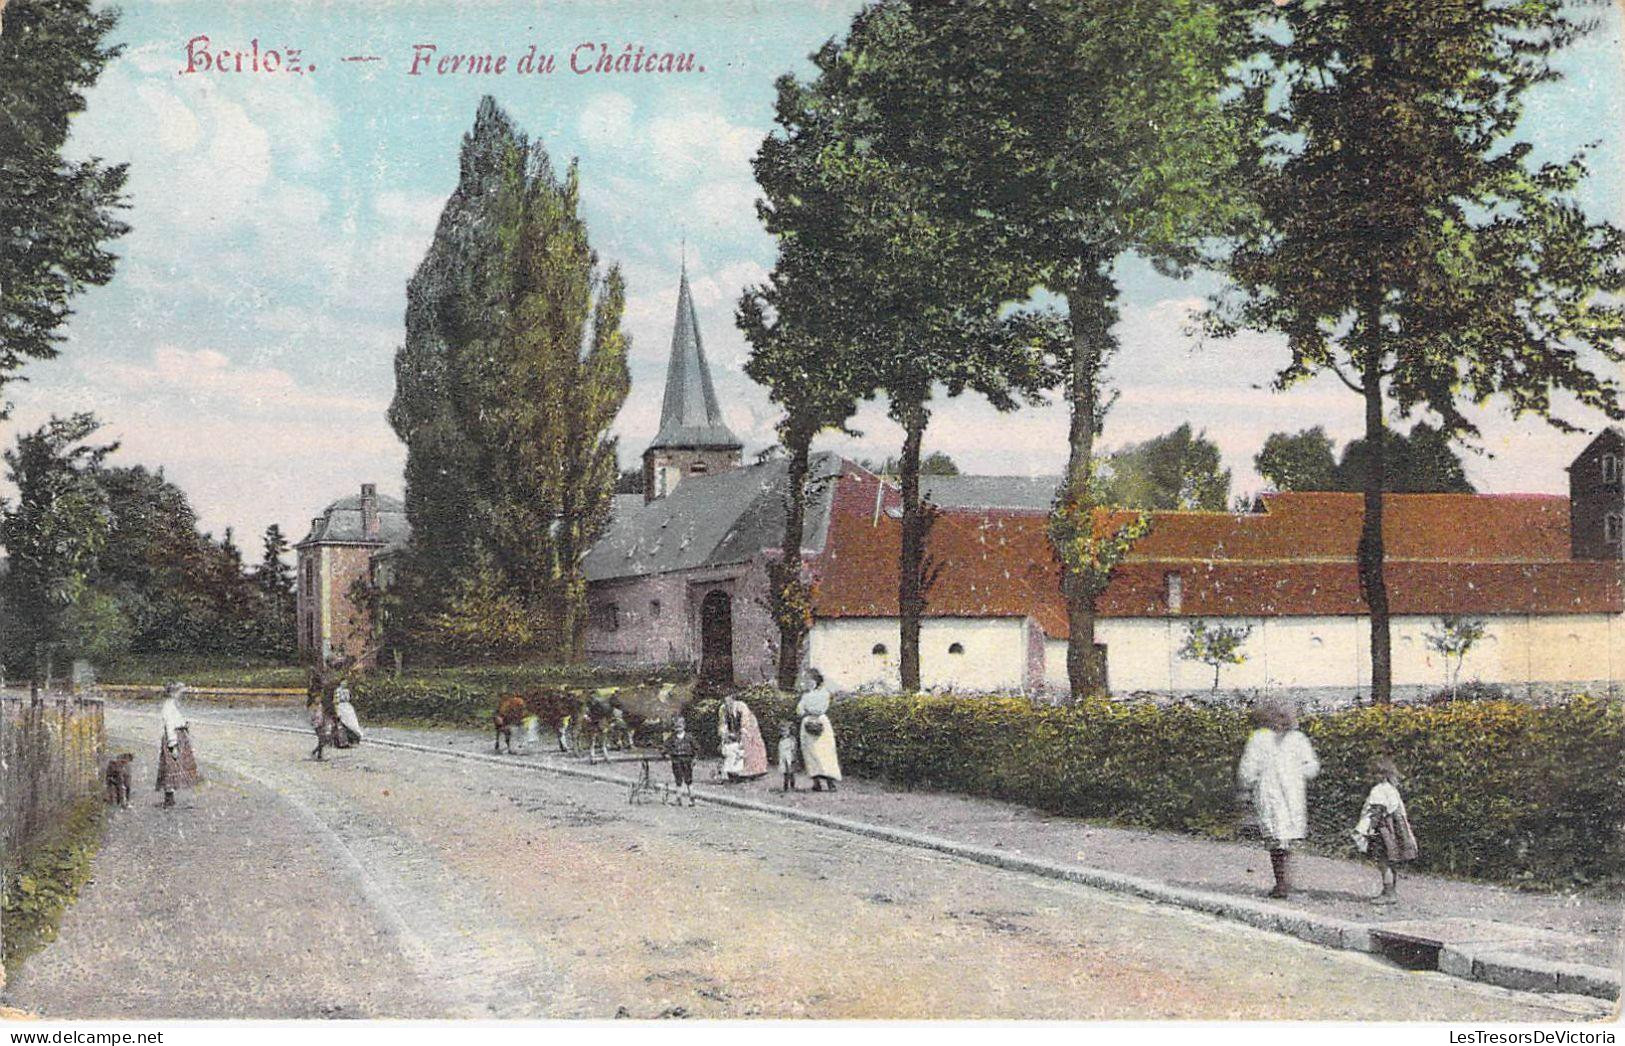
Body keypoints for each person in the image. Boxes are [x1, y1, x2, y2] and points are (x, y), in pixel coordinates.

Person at [1237, 697, 1318, 898]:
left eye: (1285, 717)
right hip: (1269, 793)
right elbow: (1248, 769)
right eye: (1277, 717)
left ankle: (1287, 882)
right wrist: (1249, 783)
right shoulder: (1259, 738)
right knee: (1275, 839)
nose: (1281, 722)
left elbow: (1312, 766)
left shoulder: (1298, 739)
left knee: (1289, 838)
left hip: (1291, 794)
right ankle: (1281, 883)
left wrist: (1297, 772)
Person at [1352, 756, 1419, 904]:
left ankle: (1388, 893)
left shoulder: (1379, 790)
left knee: (1384, 861)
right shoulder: (1392, 790)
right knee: (1391, 861)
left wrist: (1369, 829)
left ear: (1381, 774)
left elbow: (1377, 810)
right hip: (1395, 830)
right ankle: (1391, 890)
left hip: (1384, 830)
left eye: (1373, 774)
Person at [155, 683, 202, 807]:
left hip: (179, 736)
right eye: (179, 692)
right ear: (173, 693)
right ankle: (169, 797)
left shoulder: (171, 706)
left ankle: (170, 796)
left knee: (173, 766)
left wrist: (183, 723)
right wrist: (173, 744)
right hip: (175, 738)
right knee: (171, 766)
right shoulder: (168, 707)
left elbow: (175, 721)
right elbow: (170, 726)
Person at [796, 669, 841, 792]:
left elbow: (821, 708)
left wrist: (808, 710)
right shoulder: (805, 696)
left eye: (812, 681)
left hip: (821, 723)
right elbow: (799, 711)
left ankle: (830, 783)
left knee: (825, 753)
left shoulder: (824, 694)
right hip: (807, 724)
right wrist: (805, 710)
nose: (809, 683)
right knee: (810, 754)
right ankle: (816, 783)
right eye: (807, 681)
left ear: (817, 681)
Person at [717, 691, 769, 781]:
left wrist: (741, 734)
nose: (727, 703)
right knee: (732, 748)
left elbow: (745, 722)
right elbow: (723, 723)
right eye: (725, 701)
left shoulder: (741, 706)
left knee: (750, 746)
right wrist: (725, 735)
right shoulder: (722, 709)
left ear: (733, 699)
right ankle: (734, 770)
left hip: (749, 726)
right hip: (735, 727)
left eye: (729, 701)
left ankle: (753, 771)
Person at [665, 716, 697, 806]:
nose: (678, 729)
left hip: (687, 760)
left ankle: (692, 798)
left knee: (688, 779)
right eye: (676, 727)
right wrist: (666, 754)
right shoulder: (672, 738)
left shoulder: (689, 737)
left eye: (680, 726)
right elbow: (665, 746)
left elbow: (696, 748)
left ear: (684, 726)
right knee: (678, 780)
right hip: (676, 760)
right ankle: (678, 798)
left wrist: (695, 758)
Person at [333, 681, 364, 747]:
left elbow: (349, 698)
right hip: (341, 706)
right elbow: (336, 700)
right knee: (342, 723)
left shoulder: (347, 691)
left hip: (347, 707)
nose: (344, 684)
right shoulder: (337, 690)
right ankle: (342, 740)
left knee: (351, 721)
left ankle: (354, 736)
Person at [777, 722, 799, 792]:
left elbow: (794, 748)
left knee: (791, 773)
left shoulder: (792, 739)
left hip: (790, 757)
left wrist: (793, 756)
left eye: (785, 731)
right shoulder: (781, 740)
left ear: (789, 731)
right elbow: (780, 749)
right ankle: (785, 786)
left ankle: (792, 786)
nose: (784, 733)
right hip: (783, 758)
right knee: (785, 773)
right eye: (782, 731)